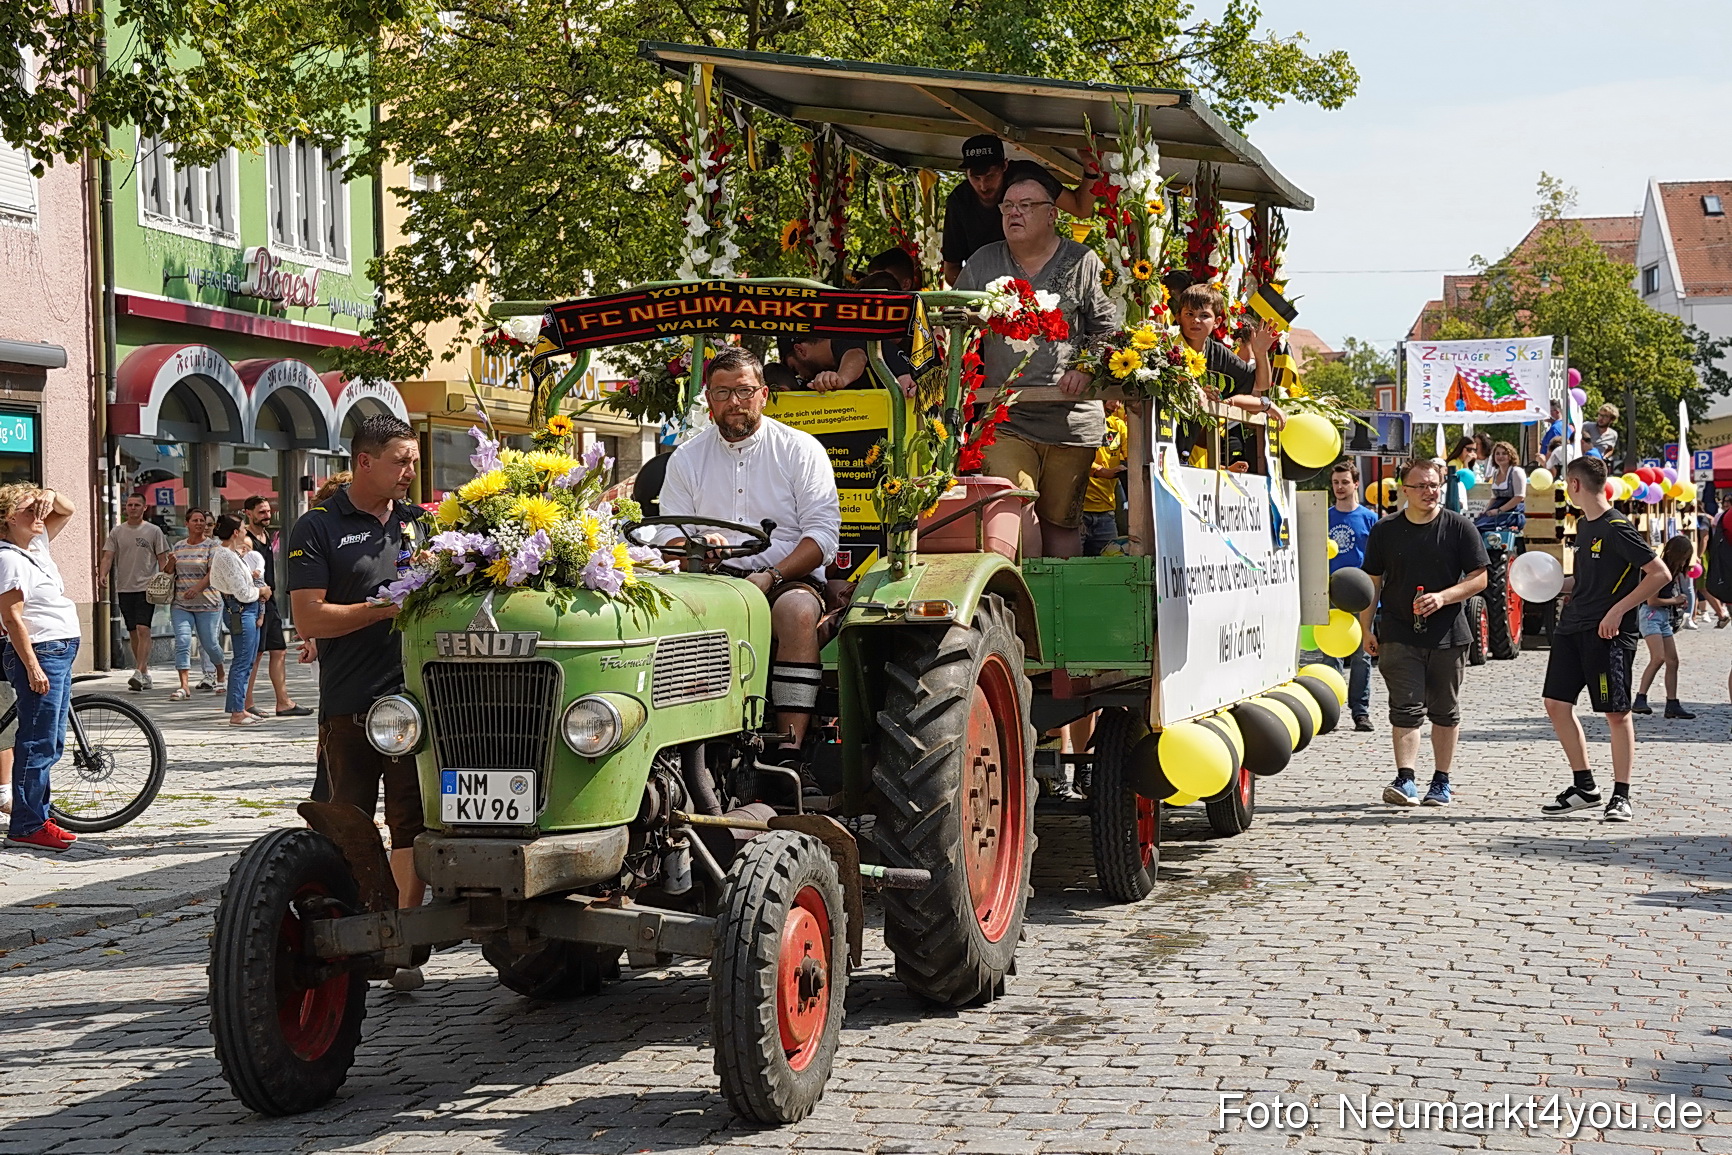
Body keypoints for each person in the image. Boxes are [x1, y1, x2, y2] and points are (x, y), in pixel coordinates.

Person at [288, 414, 429, 988]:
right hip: (349, 703)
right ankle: (352, 933)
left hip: (416, 704)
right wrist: (385, 607)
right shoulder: (317, 527)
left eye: (415, 460)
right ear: (364, 462)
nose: (410, 471)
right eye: (401, 460)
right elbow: (309, 617)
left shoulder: (421, 525)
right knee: (346, 821)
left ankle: (402, 940)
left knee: (412, 824)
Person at [656, 347, 841, 766]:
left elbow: (823, 536)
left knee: (795, 610)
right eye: (722, 393)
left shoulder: (800, 449)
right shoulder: (686, 458)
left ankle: (788, 752)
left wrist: (771, 576)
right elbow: (667, 531)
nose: (733, 403)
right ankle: (691, 746)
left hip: (787, 578)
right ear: (708, 400)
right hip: (710, 579)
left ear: (763, 394)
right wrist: (697, 545)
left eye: (743, 391)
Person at [956, 169, 1121, 558]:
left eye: (1026, 206)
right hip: (1005, 417)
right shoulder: (983, 262)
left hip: (1071, 421)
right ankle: (1021, 610)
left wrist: (1085, 366)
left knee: (1061, 524)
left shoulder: (1084, 261)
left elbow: (1107, 327)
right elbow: (952, 320)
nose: (1015, 213)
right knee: (1014, 505)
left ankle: (1057, 613)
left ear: (1052, 215)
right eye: (1008, 206)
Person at [1537, 455, 1670, 822]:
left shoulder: (1616, 527)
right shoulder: (1584, 527)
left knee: (1616, 713)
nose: (1566, 489)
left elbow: (1659, 574)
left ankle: (1621, 795)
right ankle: (1585, 786)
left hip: (1608, 634)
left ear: (1576, 485)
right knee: (1556, 704)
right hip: (1572, 628)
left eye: (1567, 483)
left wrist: (1618, 610)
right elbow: (1582, 581)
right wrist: (1542, 586)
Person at [1357, 458, 1489, 807]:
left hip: (1448, 635)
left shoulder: (1460, 527)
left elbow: (1480, 578)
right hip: (1398, 633)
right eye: (1422, 486)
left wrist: (1443, 597)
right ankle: (1406, 779)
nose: (1430, 492)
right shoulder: (1385, 530)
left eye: (1435, 485)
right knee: (1404, 708)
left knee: (1445, 710)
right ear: (1405, 490)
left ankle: (1441, 781)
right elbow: (1372, 581)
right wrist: (1365, 627)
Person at [0, 485, 81, 851]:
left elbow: (67, 509)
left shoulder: (34, 545)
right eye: (29, 511)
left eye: (39, 510)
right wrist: (32, 666)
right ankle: (26, 825)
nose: (39, 516)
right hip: (41, 652)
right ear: (8, 518)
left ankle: (39, 816)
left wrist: (46, 493)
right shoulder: (10, 558)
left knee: (51, 740)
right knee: (36, 741)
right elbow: (12, 617)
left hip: (58, 649)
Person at [940, 136, 1097, 284]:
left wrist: (1091, 168)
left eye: (990, 176)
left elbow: (1081, 209)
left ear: (1005, 166)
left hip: (1043, 274)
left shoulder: (1029, 176)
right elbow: (951, 270)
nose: (983, 186)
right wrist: (982, 296)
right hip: (988, 286)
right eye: (975, 178)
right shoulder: (959, 201)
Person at [1174, 283, 1285, 467]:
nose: (1196, 321)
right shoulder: (1168, 345)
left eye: (1204, 316)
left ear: (1217, 322)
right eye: (1189, 314)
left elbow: (1260, 384)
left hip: (1191, 448)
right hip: (1162, 441)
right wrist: (1195, 389)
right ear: (1179, 317)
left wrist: (1260, 352)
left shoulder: (1218, 353)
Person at [241, 496, 308, 718]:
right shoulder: (247, 540)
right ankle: (246, 702)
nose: (267, 515)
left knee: (278, 650)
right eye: (261, 512)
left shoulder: (267, 535)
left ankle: (283, 702)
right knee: (255, 654)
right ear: (248, 513)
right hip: (255, 601)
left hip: (270, 600)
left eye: (268, 511)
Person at [97, 494, 170, 692]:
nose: (133, 508)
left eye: (137, 505)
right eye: (129, 505)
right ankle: (144, 673)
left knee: (143, 628)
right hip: (124, 587)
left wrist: (165, 581)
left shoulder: (153, 531)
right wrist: (102, 574)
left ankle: (138, 671)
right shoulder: (117, 531)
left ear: (144, 508)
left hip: (147, 588)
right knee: (132, 631)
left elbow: (162, 558)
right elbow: (108, 556)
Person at [1327, 461, 1379, 731]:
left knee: (1362, 656)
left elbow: (1378, 559)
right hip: (1332, 594)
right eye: (1336, 482)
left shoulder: (1369, 519)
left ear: (1356, 484)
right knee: (1330, 655)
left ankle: (1360, 711)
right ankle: (1331, 709)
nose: (1339, 487)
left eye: (1345, 482)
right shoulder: (1324, 516)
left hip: (1361, 596)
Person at [209, 514, 268, 727]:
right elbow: (242, 592)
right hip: (241, 609)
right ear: (235, 532)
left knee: (248, 660)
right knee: (242, 660)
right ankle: (236, 711)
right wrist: (261, 590)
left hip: (246, 608)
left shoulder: (232, 554)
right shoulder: (224, 555)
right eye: (242, 527)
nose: (244, 530)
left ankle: (240, 707)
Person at [1631, 535, 1697, 719]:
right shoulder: (1661, 569)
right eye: (1684, 556)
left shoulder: (1673, 570)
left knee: (1672, 661)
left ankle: (1672, 703)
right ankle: (1640, 698)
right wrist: (1675, 600)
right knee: (1658, 657)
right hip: (1650, 615)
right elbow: (1652, 601)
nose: (1686, 561)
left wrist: (1675, 603)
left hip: (1663, 616)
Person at [164, 509, 225, 701]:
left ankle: (221, 674)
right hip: (181, 604)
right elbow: (168, 573)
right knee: (182, 642)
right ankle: (184, 686)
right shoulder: (179, 546)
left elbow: (212, 573)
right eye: (195, 520)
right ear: (187, 523)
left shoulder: (212, 546)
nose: (199, 524)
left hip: (208, 603)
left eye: (202, 521)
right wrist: (170, 563)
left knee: (210, 644)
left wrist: (197, 589)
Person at [1081, 400, 1128, 556]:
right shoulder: (1080, 420)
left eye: (1120, 400)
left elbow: (1134, 456)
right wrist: (1101, 471)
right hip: (1077, 513)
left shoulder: (1118, 426)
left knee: (1111, 565)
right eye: (1110, 397)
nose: (1116, 404)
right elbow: (1071, 458)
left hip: (1106, 513)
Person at [1475, 441, 1527, 530]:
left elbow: (1519, 497)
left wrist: (1499, 511)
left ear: (1510, 456)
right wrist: (1486, 511)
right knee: (1474, 526)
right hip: (1497, 511)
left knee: (1481, 527)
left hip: (1511, 513)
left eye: (1504, 454)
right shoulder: (1495, 473)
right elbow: (1494, 497)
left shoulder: (1516, 472)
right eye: (1497, 454)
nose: (1500, 456)